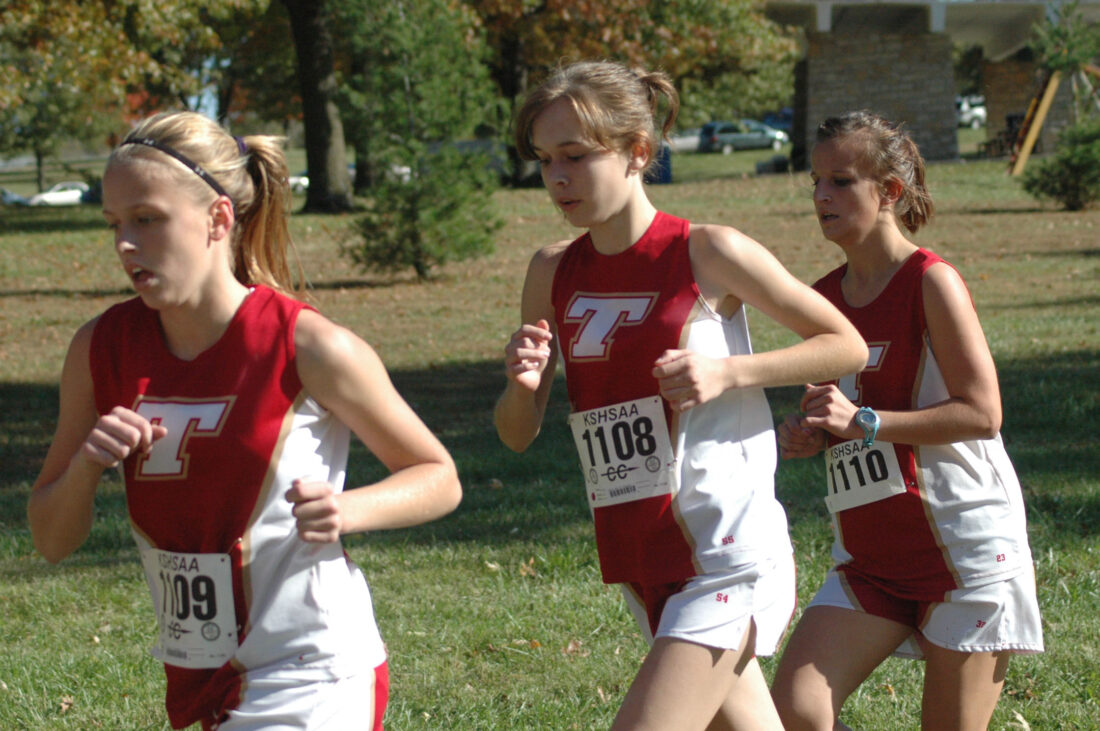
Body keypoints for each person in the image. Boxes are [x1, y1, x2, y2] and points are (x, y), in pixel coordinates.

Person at [27, 111, 462, 730]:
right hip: (197, 674)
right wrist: (87, 465)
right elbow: (50, 539)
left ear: (218, 218)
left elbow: (439, 476)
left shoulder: (309, 344)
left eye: (146, 219)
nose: (124, 243)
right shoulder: (100, 348)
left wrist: (348, 510)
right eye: (114, 223)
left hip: (313, 668)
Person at [494, 61, 868, 730]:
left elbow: (845, 345)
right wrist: (522, 388)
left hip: (726, 549)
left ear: (638, 152)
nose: (557, 177)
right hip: (642, 550)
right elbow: (517, 433)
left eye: (576, 156)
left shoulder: (708, 251)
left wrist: (729, 373)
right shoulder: (551, 270)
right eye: (545, 159)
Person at [770, 111, 1044, 730]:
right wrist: (811, 432)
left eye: (841, 181)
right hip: (871, 556)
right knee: (794, 711)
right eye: (815, 181)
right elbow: (840, 412)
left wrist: (864, 421)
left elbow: (982, 413)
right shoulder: (822, 299)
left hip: (966, 554)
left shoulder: (932, 282)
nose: (821, 196)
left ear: (890, 190)